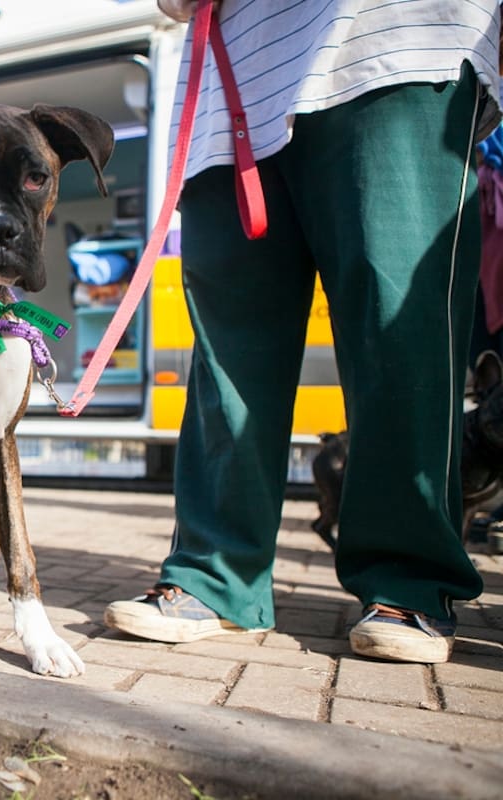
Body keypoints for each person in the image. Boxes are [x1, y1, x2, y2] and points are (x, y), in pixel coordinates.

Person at [103, 0, 501, 664]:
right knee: (227, 357)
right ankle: (217, 576)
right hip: (228, 92)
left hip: (395, 43)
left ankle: (409, 577)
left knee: (400, 330)